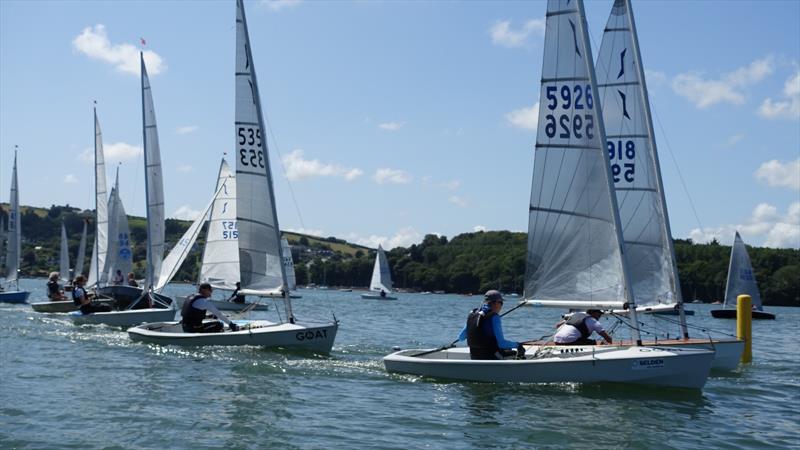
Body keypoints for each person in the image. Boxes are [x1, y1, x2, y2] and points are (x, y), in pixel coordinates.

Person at [456, 290, 525, 360]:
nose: (501, 306)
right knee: (517, 353)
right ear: (496, 303)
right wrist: (518, 345)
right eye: (501, 303)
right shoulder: (494, 317)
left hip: (474, 356)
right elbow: (501, 343)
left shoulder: (473, 315)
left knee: (507, 348)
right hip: (491, 356)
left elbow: (461, 338)